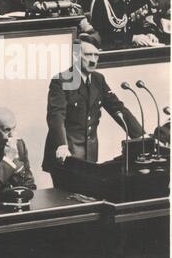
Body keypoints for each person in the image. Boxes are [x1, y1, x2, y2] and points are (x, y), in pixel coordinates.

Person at [42, 35, 142, 179]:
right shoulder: (62, 80)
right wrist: (61, 145)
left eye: (96, 55)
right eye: (88, 54)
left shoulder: (98, 79)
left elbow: (117, 108)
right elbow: (56, 116)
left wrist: (141, 136)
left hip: (90, 154)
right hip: (66, 154)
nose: (93, 60)